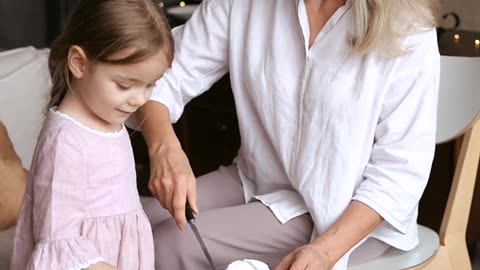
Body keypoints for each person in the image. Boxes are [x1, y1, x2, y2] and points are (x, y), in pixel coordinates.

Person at [136, 0, 440, 269]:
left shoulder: (408, 25)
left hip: (344, 214)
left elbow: (400, 173)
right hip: (255, 179)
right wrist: (164, 146)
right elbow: (164, 76)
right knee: (134, 223)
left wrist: (325, 251)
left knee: (170, 244)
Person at [10, 0, 173, 269]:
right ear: (79, 63)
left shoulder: (107, 115)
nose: (139, 100)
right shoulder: (66, 142)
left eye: (150, 86)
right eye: (124, 85)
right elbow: (59, 240)